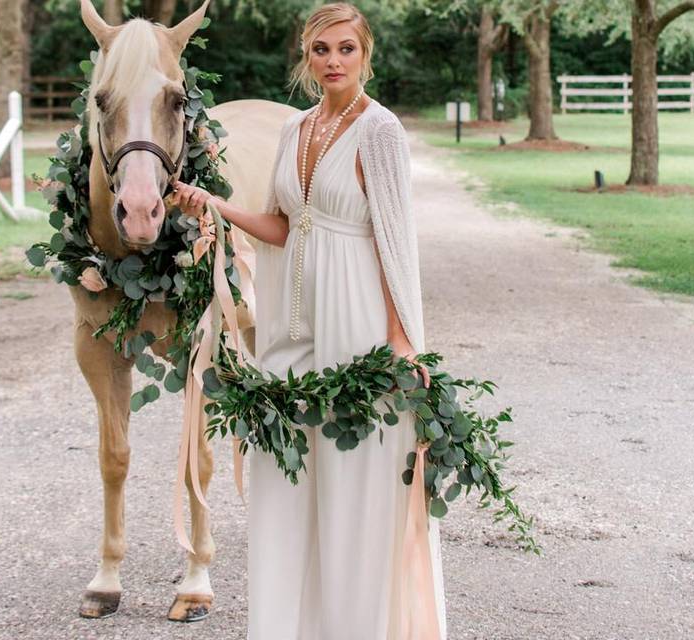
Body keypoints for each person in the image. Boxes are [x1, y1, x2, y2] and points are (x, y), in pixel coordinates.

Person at [170, 4, 447, 638]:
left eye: (345, 49)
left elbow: (395, 239)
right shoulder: (297, 129)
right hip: (291, 326)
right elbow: (281, 224)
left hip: (357, 320)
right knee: (285, 476)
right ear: (306, 53)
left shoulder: (380, 131)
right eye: (321, 50)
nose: (332, 61)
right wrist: (216, 204)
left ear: (365, 53)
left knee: (355, 486)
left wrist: (402, 345)